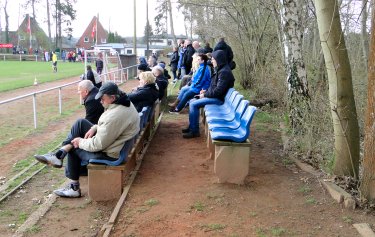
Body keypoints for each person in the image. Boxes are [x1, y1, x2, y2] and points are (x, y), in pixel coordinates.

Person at [34, 82, 140, 197]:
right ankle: (59, 155)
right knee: (80, 123)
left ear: (113, 97)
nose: (100, 101)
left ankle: (73, 187)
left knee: (74, 148)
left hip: (111, 154)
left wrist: (80, 142)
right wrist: (95, 127)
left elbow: (98, 144)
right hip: (115, 144)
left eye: (102, 98)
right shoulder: (124, 102)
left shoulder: (115, 115)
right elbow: (112, 127)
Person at [182, 50, 235, 138]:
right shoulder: (221, 70)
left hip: (219, 99)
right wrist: (205, 91)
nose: (212, 61)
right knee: (192, 101)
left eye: (213, 59)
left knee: (194, 104)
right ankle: (192, 127)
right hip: (217, 97)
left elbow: (218, 91)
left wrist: (205, 95)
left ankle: (194, 131)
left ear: (219, 60)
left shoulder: (224, 72)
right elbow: (214, 86)